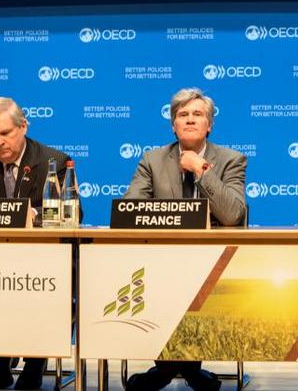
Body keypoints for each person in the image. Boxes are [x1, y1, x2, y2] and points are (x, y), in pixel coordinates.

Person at [123, 87, 247, 391]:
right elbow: (131, 209)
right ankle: (183, 370)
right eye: (183, 115)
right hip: (162, 261)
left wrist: (201, 171)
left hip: (213, 262)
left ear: (209, 125)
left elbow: (232, 214)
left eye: (198, 114)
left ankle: (169, 371)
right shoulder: (152, 160)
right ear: (173, 124)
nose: (190, 120)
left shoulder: (231, 159)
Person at [0, 96, 72, 390]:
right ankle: (1, 362)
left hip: (42, 261)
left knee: (44, 284)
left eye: (5, 133)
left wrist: (34, 215)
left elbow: (74, 214)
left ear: (23, 126)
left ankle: (34, 363)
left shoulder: (52, 161)